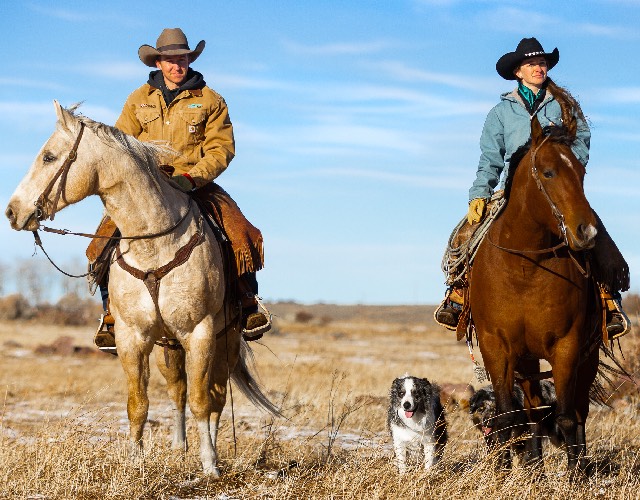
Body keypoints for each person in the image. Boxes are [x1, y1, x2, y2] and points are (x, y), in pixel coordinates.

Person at [434, 37, 630, 339]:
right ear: (518, 72)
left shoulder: (565, 106)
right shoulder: (500, 113)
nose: (539, 68)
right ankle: (458, 296)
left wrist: (564, 167)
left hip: (559, 188)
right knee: (466, 234)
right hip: (513, 190)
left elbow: (582, 143)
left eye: (542, 63)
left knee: (591, 231)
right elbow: (490, 157)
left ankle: (608, 300)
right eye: (532, 64)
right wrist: (480, 193)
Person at [91, 28, 270, 352]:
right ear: (159, 62)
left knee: (239, 230)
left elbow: (220, 148)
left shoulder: (210, 100)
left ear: (190, 59)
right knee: (101, 243)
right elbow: (121, 144)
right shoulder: (138, 99)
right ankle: (110, 315)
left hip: (195, 181)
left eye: (183, 58)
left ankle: (247, 303)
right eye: (171, 59)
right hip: (145, 187)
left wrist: (193, 177)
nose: (178, 65)